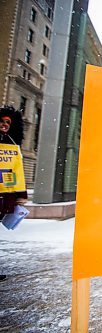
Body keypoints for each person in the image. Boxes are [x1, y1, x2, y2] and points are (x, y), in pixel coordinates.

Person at [0, 106, 27, 281]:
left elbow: (17, 171)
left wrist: (20, 194)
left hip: (5, 194)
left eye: (7, 122)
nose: (4, 125)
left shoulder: (11, 143)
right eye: (1, 121)